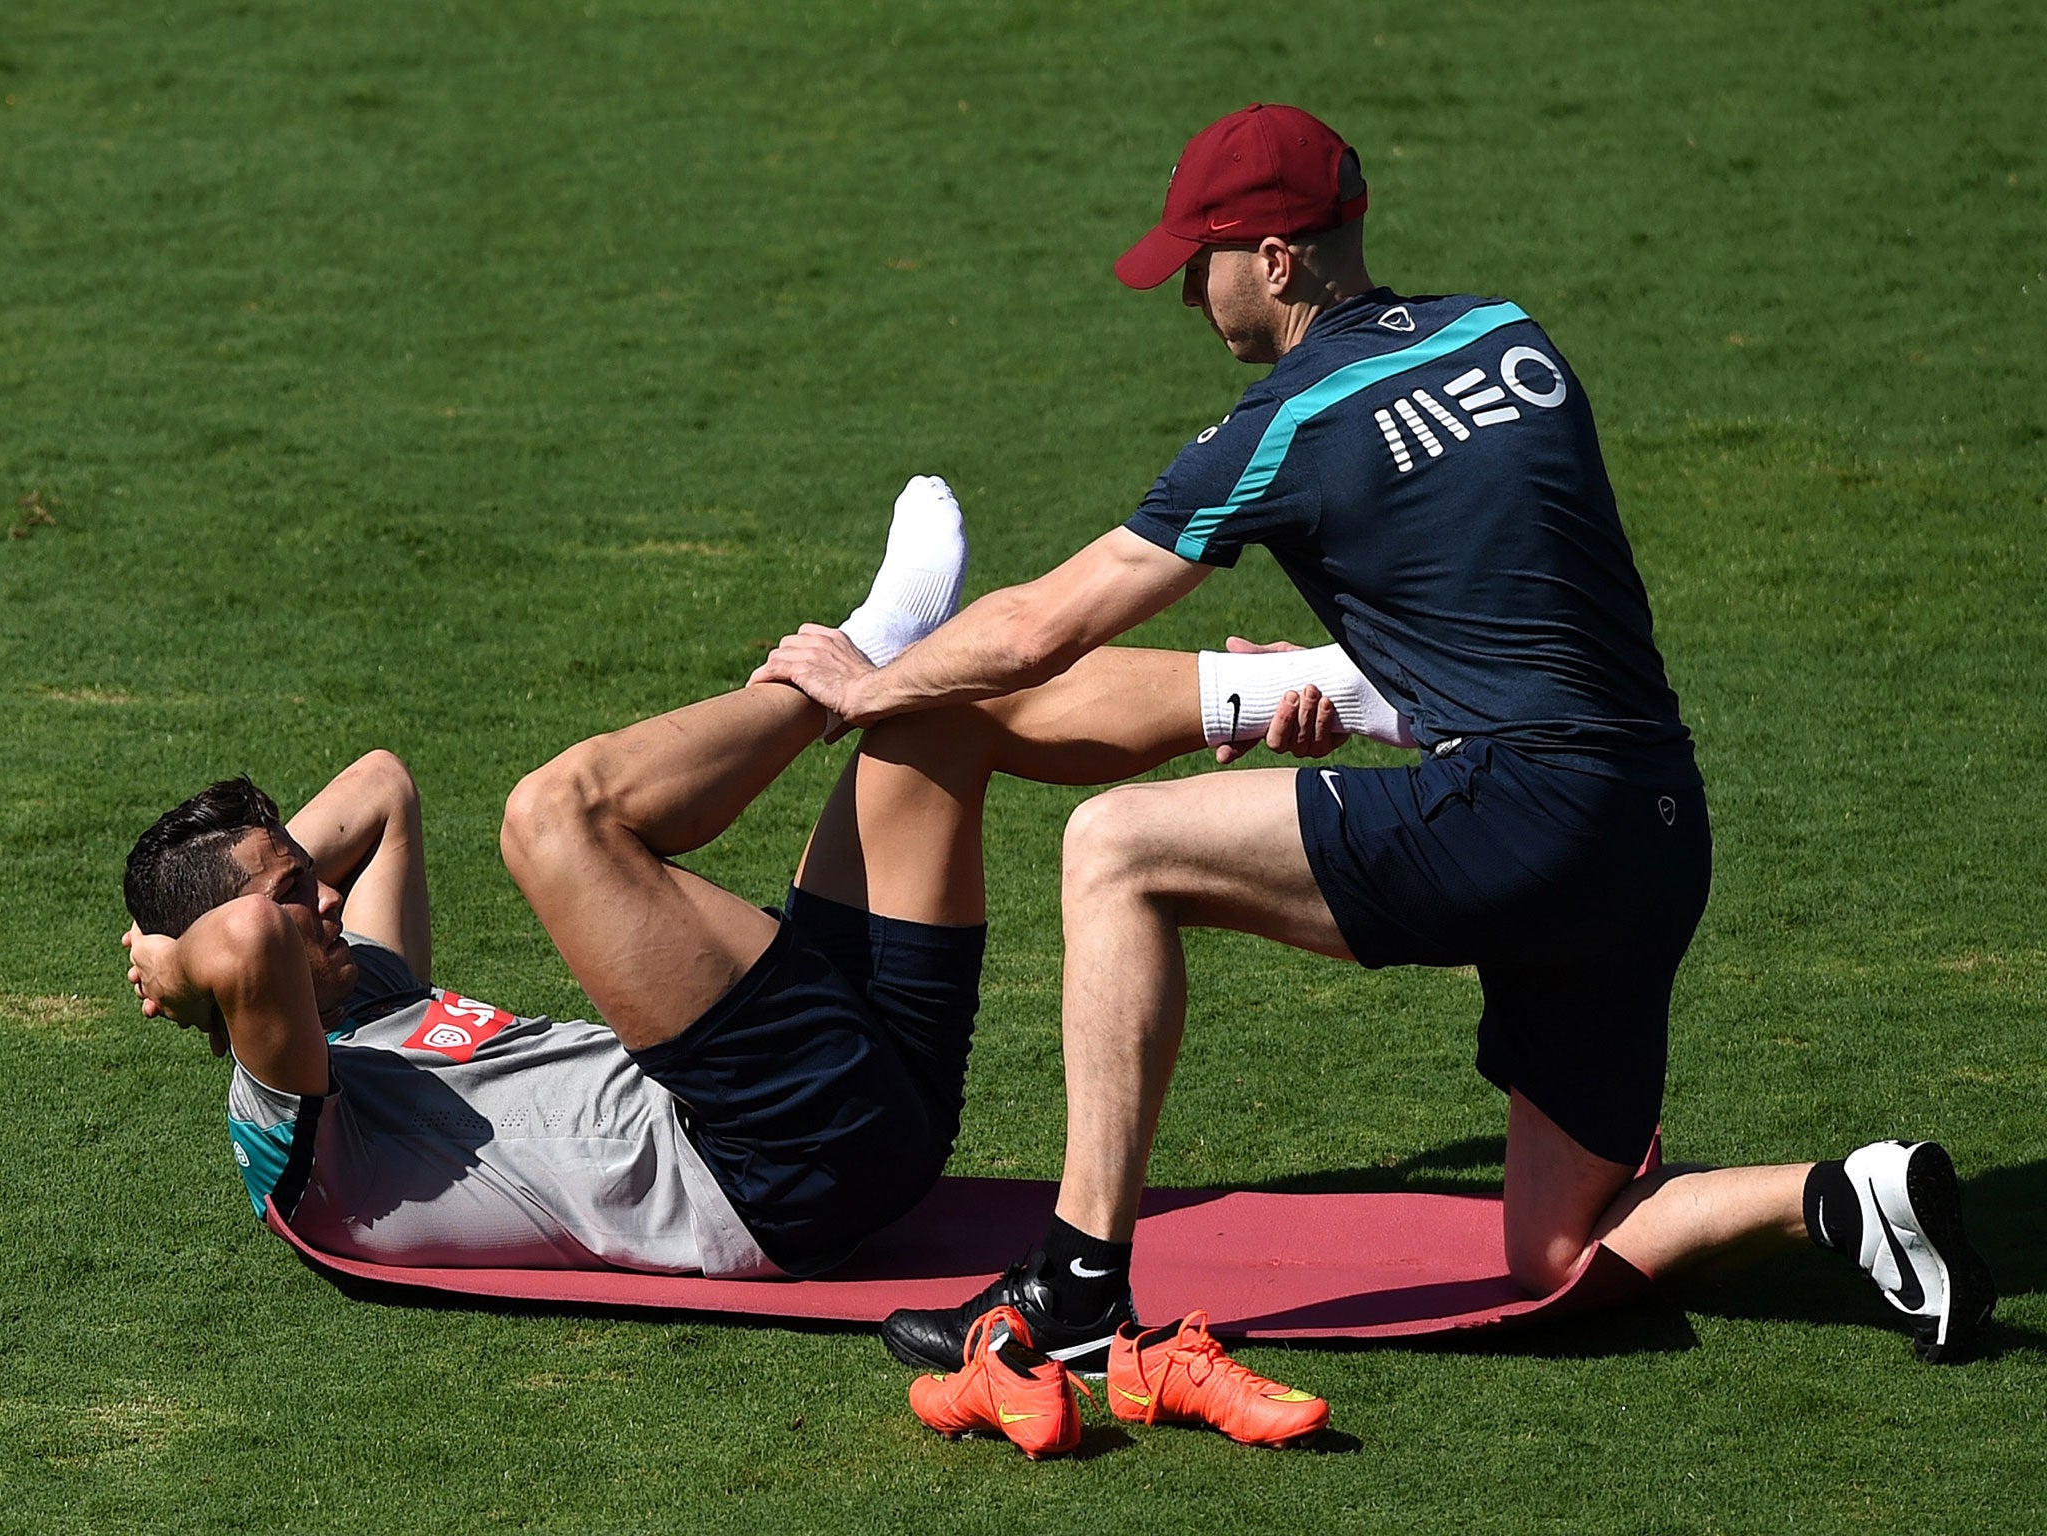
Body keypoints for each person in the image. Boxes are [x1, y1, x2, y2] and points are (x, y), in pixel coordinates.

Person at [753, 107, 1996, 1368]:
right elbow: (1513, 590)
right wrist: (1363, 681)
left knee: (1113, 849)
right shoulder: (1508, 335)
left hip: (1524, 817)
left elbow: (1041, 629)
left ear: (1278, 260)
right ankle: (1848, 1194)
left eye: (1203, 260)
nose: (1189, 293)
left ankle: (1076, 1288)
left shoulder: (1285, 425)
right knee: (1556, 1256)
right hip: (1653, 828)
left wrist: (870, 682)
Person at [118, 477, 1391, 1281]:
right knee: (553, 818)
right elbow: (243, 946)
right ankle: (844, 663)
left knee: (938, 710)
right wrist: (173, 959)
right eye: (297, 896)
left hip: (837, 1096)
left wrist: (265, 892)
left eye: (307, 878)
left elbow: (383, 785)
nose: (324, 899)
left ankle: (1335, 691)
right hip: (765, 1165)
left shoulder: (370, 994)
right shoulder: (288, 1122)